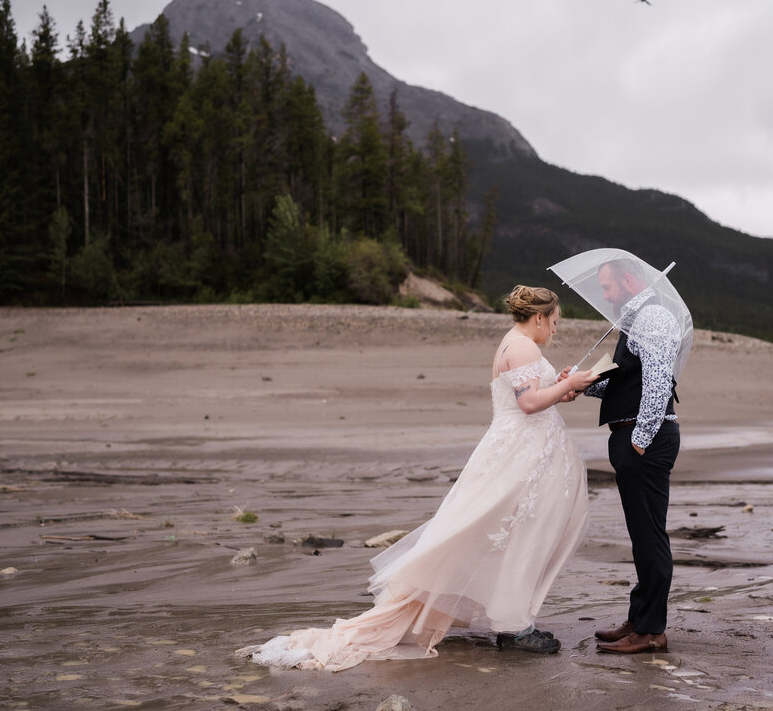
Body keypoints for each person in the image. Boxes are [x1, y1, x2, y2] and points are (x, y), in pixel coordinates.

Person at [240, 286, 598, 671]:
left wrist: (560, 388)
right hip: (520, 455)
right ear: (540, 317)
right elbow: (528, 404)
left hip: (517, 451)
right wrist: (568, 385)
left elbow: (530, 396)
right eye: (555, 322)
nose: (555, 331)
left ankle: (511, 619)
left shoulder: (516, 343)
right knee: (513, 534)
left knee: (506, 533)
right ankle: (512, 625)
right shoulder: (524, 346)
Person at [579, 257, 682, 654]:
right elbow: (629, 382)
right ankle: (639, 618)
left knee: (650, 535)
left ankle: (652, 630)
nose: (604, 294)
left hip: (646, 440)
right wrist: (583, 383)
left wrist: (640, 440)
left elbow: (658, 382)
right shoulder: (635, 319)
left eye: (607, 287)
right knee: (641, 536)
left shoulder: (653, 317)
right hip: (634, 435)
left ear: (627, 280)